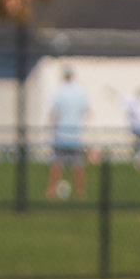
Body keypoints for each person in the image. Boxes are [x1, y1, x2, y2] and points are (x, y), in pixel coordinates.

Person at [46, 65, 93, 199]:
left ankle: (51, 190)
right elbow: (87, 111)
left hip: (61, 133)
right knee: (77, 164)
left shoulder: (58, 91)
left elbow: (53, 112)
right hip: (75, 134)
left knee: (57, 163)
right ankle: (80, 191)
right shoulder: (80, 91)